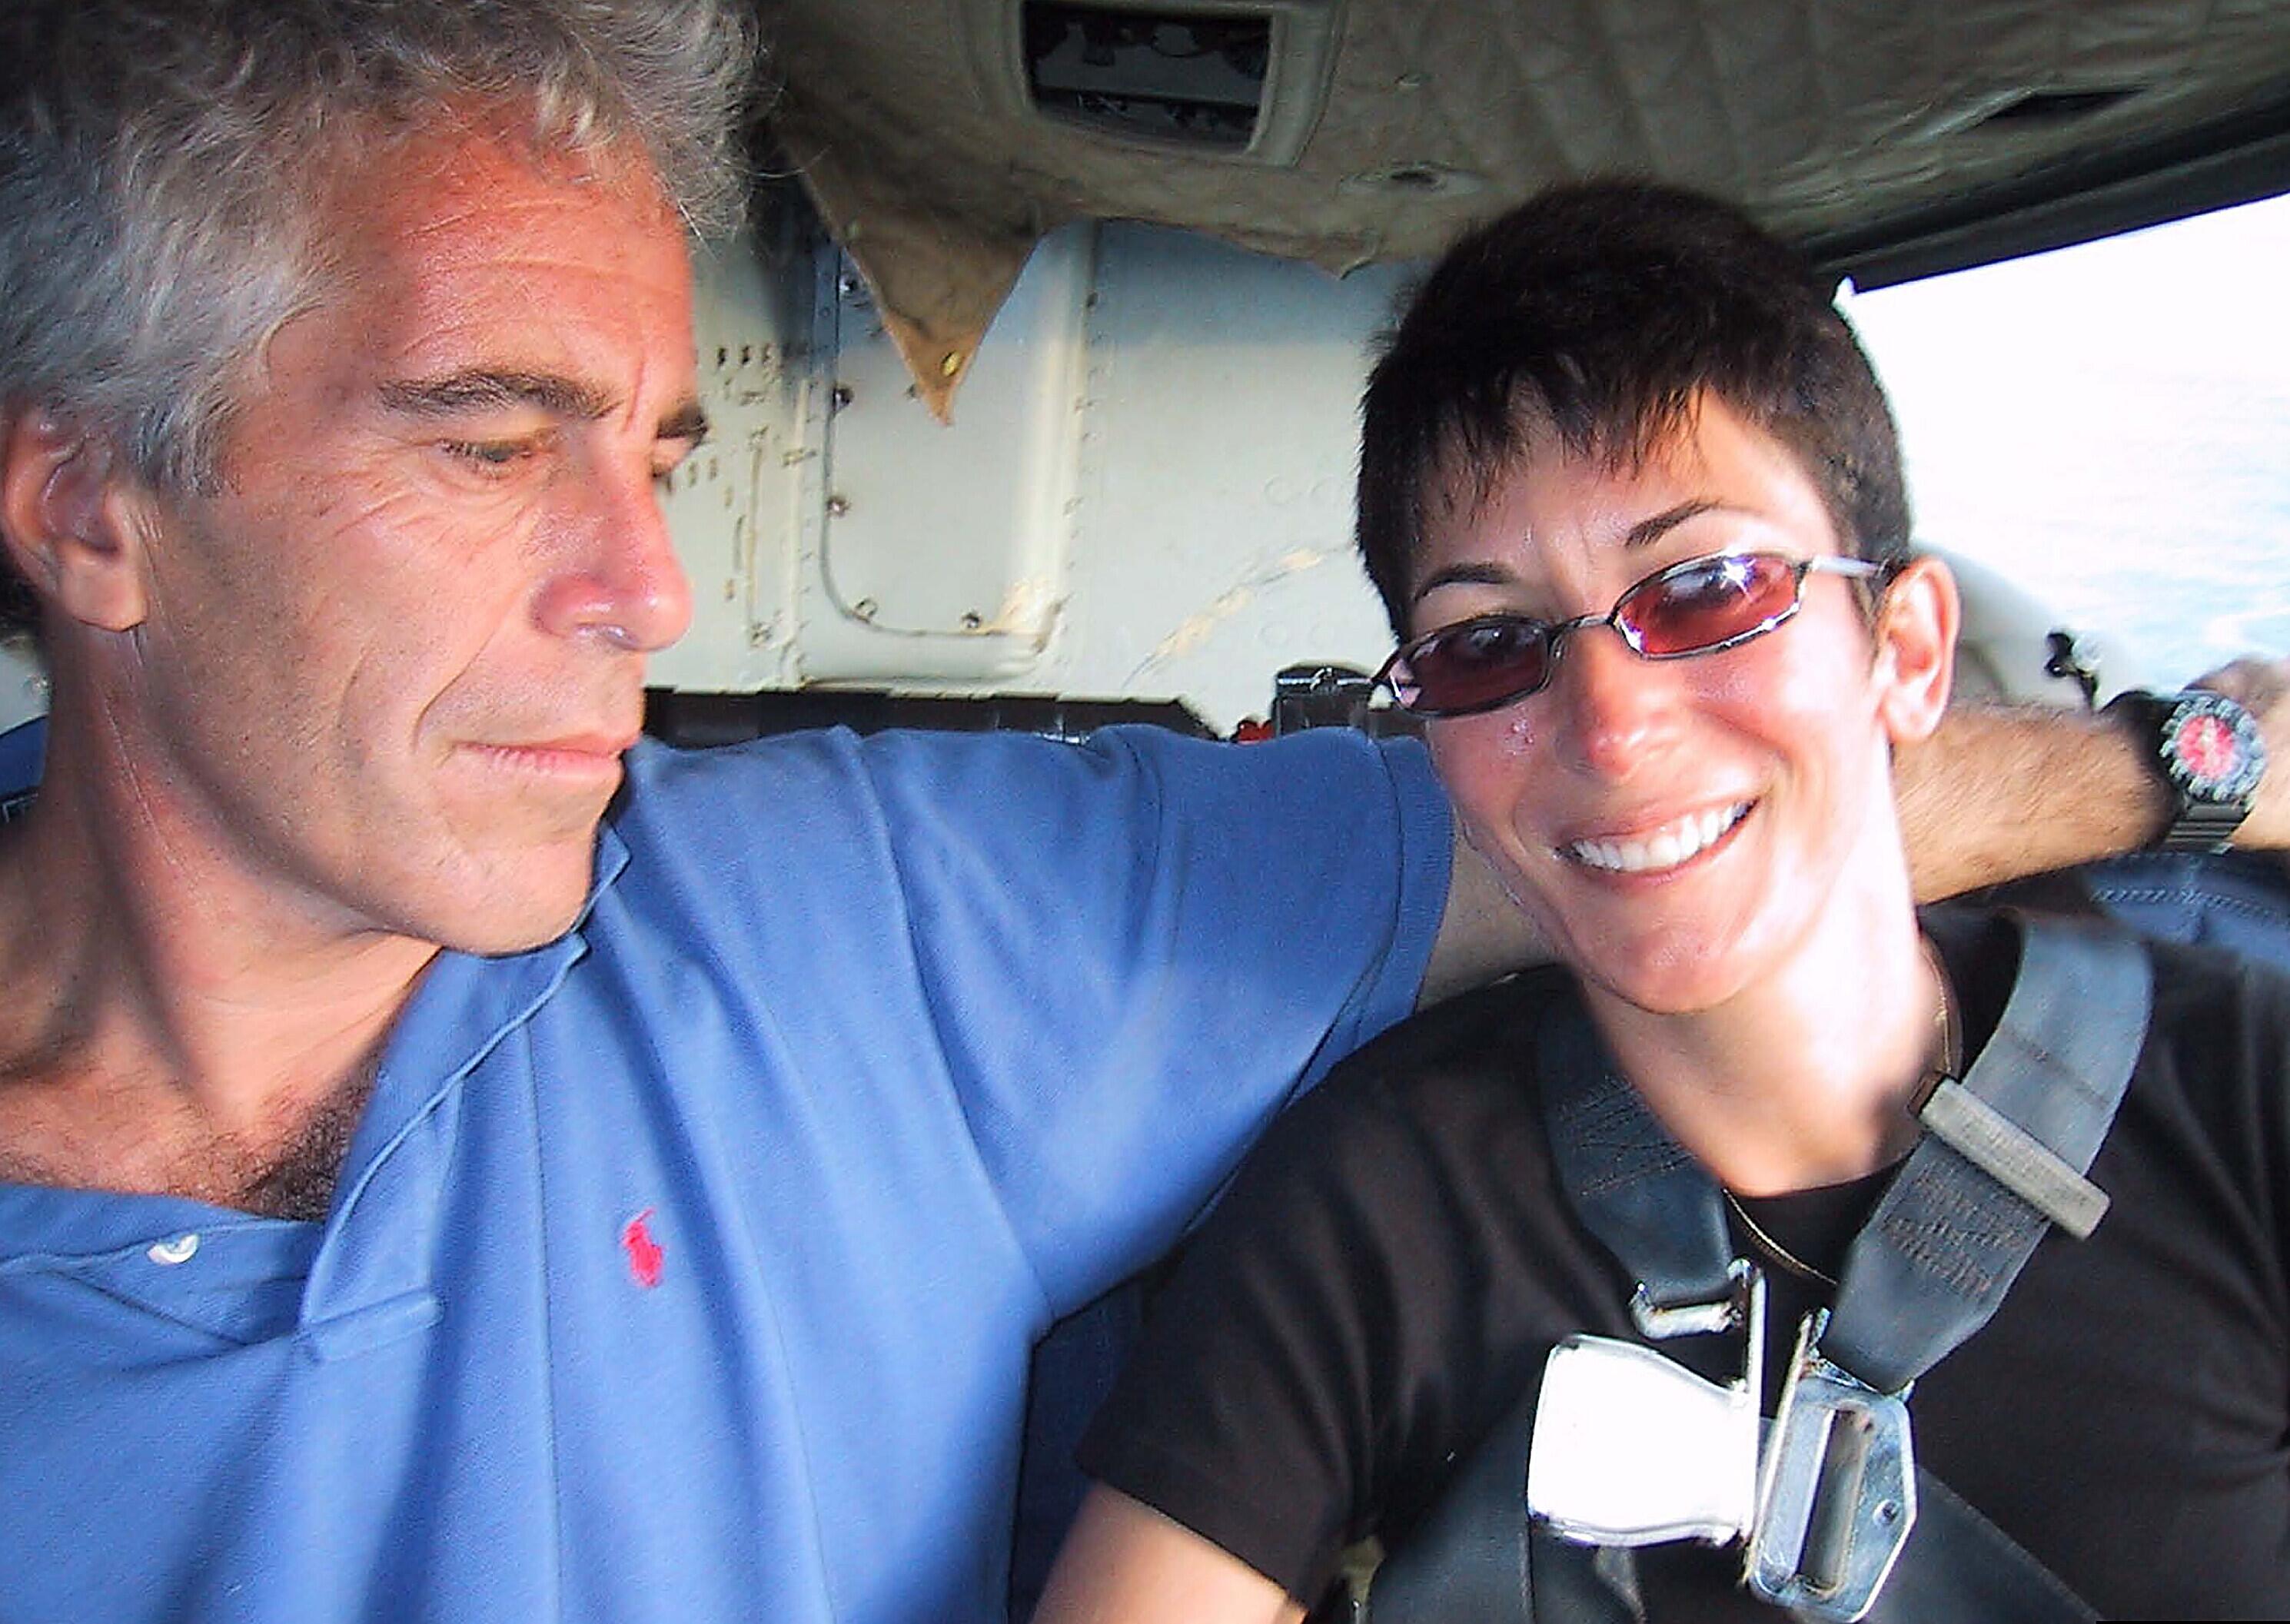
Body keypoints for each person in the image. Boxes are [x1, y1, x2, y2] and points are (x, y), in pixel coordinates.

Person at [0, 6, 2278, 1619]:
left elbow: (1630, 811)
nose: (650, 590)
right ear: (91, 505)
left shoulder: (859, 920)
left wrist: (2199, 769)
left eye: (660, 455)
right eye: (493, 443)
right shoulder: (1383, 1218)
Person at [1035, 181, 2290, 1622]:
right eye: (1487, 644)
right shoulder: (1375, 1203)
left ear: (1905, 652)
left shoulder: (2246, 1088)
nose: (1610, 729)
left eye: (1707, 588)